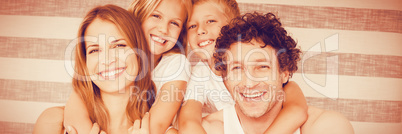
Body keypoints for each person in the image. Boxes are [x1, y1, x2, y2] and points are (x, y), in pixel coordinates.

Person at [201, 12, 354, 134]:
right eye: (237, 68)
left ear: (285, 72)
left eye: (262, 67)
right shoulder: (206, 130)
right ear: (225, 79)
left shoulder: (326, 126)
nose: (249, 83)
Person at [179, 0, 308, 133]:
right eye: (192, 26)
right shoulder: (200, 75)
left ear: (233, 25)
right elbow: (188, 122)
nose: (200, 30)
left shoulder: (283, 84)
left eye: (210, 21)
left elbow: (297, 111)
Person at [63, 0, 191, 133]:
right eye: (156, 16)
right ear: (137, 16)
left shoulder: (176, 64)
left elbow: (157, 125)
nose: (164, 29)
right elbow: (80, 94)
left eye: (174, 23)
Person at [34, 5, 154, 134]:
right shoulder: (53, 123)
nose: (108, 60)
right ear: (85, 62)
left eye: (119, 45)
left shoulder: (161, 128)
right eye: (95, 50)